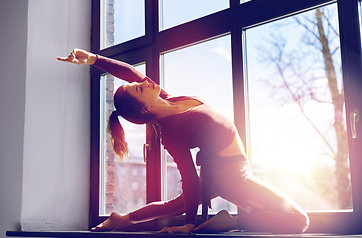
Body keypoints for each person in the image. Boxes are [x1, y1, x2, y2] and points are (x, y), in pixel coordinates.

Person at [57, 49, 310, 234]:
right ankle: (230, 222)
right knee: (299, 221)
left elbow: (129, 72)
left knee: (173, 205)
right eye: (139, 88)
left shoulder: (167, 99)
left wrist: (93, 59)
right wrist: (189, 224)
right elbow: (188, 177)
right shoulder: (171, 131)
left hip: (224, 168)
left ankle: (122, 219)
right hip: (233, 177)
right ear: (144, 108)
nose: (144, 81)